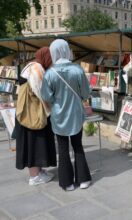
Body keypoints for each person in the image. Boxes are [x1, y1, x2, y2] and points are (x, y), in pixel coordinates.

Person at [41, 39, 91, 191]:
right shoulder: (78, 70)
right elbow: (85, 93)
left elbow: (46, 96)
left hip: (59, 115)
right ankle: (83, 180)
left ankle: (67, 182)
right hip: (76, 113)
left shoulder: (50, 73)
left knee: (62, 149)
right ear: (66, 50)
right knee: (78, 146)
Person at [16, 47, 56, 186]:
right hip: (33, 114)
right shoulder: (37, 69)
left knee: (34, 143)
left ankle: (38, 171)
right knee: (33, 144)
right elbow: (41, 92)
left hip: (28, 112)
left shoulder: (30, 66)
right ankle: (34, 176)